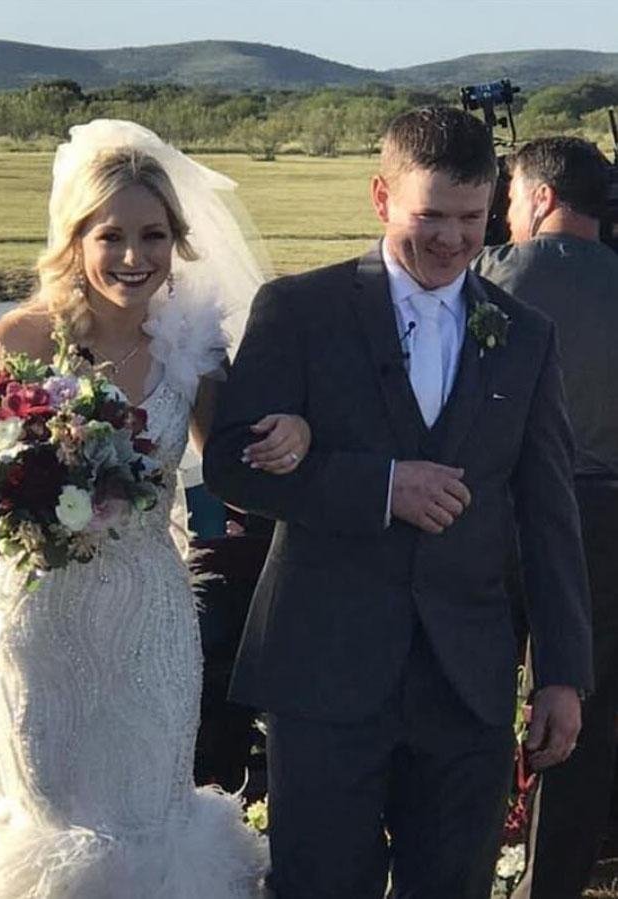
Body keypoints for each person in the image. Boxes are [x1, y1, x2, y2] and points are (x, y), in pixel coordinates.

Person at [0, 120, 309, 898]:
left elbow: (230, 465)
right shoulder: (19, 340)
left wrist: (294, 429)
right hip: (41, 622)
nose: (134, 256)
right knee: (55, 827)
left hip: (152, 625)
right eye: (111, 236)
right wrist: (17, 493)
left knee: (148, 816)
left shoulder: (190, 344)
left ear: (177, 240)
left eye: (153, 235)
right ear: (76, 240)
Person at [204, 106, 593, 899]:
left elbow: (549, 514)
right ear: (382, 197)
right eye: (431, 217)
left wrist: (561, 673)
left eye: (472, 219)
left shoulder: (525, 334)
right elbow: (231, 467)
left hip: (467, 683)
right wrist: (381, 485)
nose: (452, 240)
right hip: (323, 671)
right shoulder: (298, 311)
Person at [474, 136, 618, 899]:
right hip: (605, 522)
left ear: (540, 196)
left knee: (472, 694)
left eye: (509, 201)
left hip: (498, 514)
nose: (506, 216)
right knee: (581, 717)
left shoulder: (490, 273)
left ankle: (461, 863)